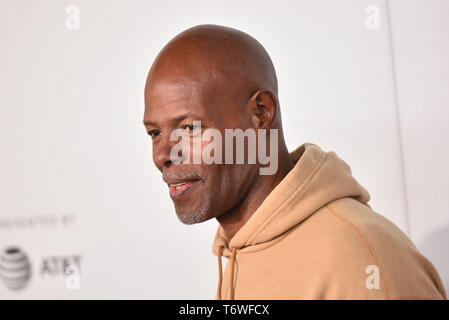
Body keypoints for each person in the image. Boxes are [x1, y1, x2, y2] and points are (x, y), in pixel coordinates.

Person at [143, 24, 446, 299]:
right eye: (155, 132)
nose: (162, 155)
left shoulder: (359, 260)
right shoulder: (240, 249)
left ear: (261, 112)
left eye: (189, 128)